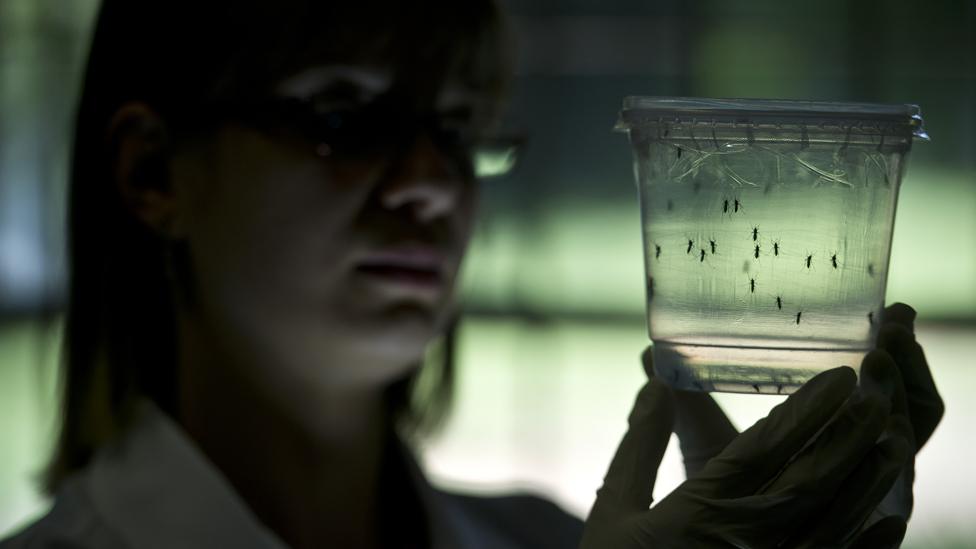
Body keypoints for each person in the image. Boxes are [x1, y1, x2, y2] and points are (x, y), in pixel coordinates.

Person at [0, 0, 943, 547]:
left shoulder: (545, 539)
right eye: (343, 113)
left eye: (454, 129)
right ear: (152, 173)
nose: (430, 185)